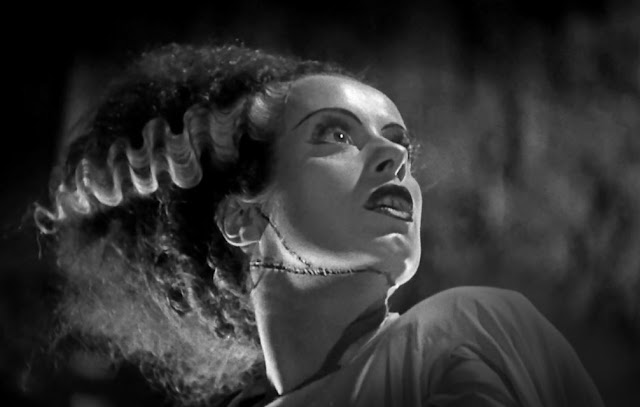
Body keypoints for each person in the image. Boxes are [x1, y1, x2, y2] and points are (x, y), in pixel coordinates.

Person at [34, 43, 604, 406]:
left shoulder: (467, 334)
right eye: (336, 134)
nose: (394, 158)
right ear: (241, 215)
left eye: (399, 144)